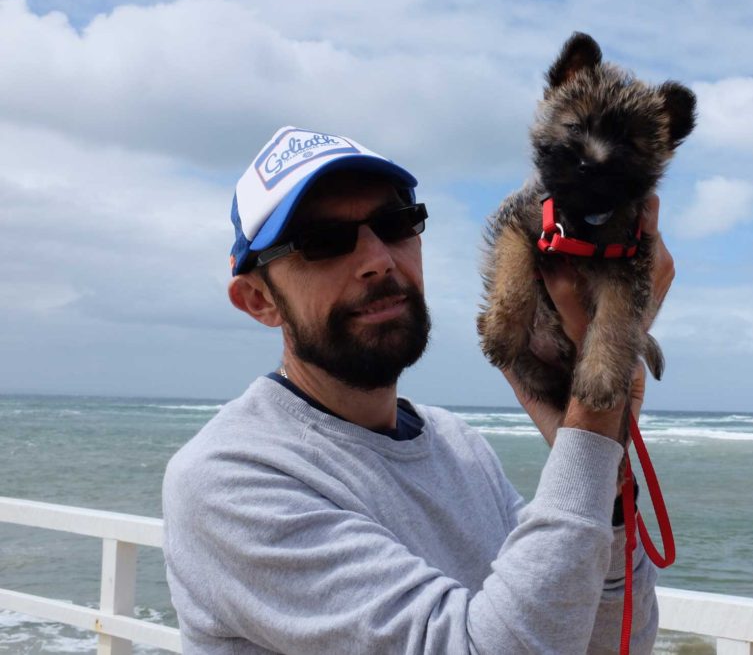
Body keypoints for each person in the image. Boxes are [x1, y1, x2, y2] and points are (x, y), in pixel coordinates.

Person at [162, 126, 673, 654]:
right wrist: (595, 398)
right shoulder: (227, 478)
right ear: (257, 300)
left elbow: (608, 643)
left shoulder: (458, 447)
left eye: (395, 223)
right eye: (323, 243)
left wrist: (607, 488)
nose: (378, 259)